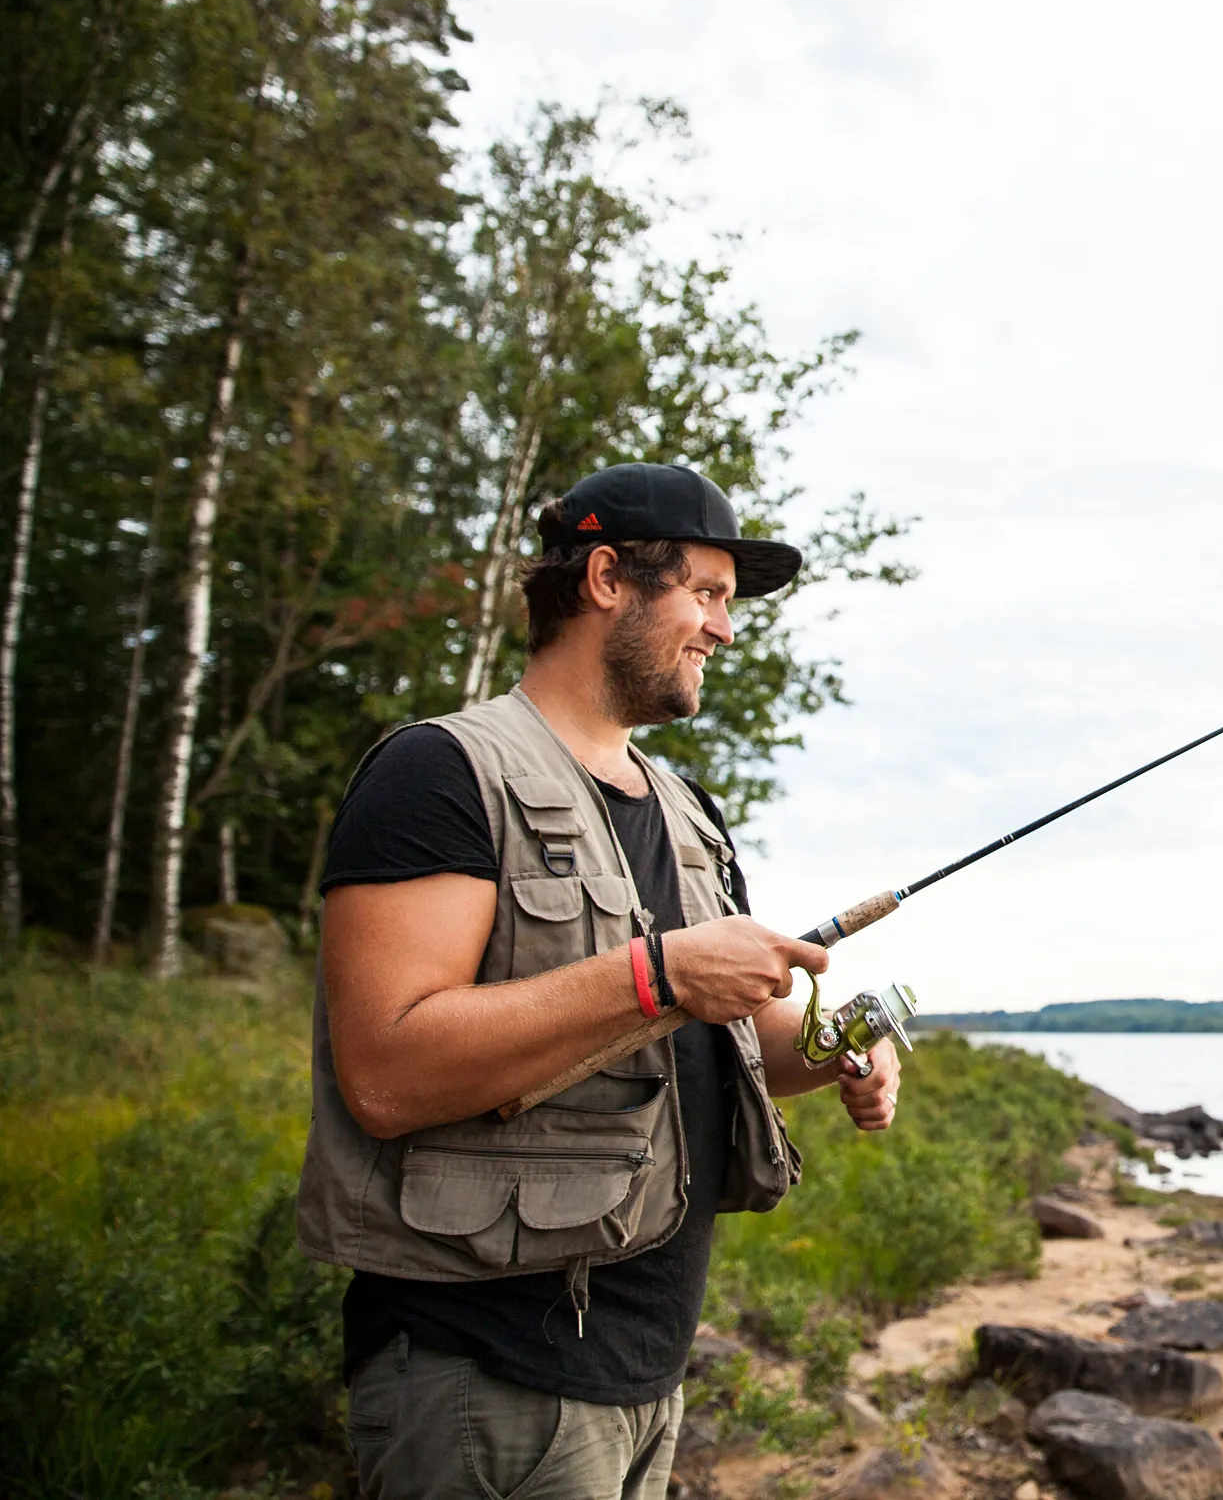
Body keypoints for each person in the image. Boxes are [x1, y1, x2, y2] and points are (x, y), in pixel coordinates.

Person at [295, 462, 900, 1500]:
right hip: (483, 1379)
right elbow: (388, 1073)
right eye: (705, 593)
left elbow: (728, 1039)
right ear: (608, 578)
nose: (724, 629)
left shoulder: (689, 812)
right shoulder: (438, 773)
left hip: (648, 1380)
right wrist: (659, 974)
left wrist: (838, 1043)